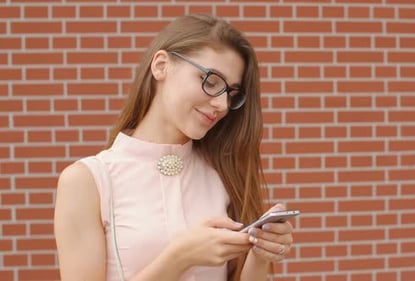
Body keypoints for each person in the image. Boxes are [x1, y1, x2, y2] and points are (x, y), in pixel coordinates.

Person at [54, 14, 295, 281]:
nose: (223, 105)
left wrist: (262, 252)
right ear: (161, 66)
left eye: (231, 93)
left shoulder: (222, 173)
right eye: (211, 81)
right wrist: (181, 257)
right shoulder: (88, 181)